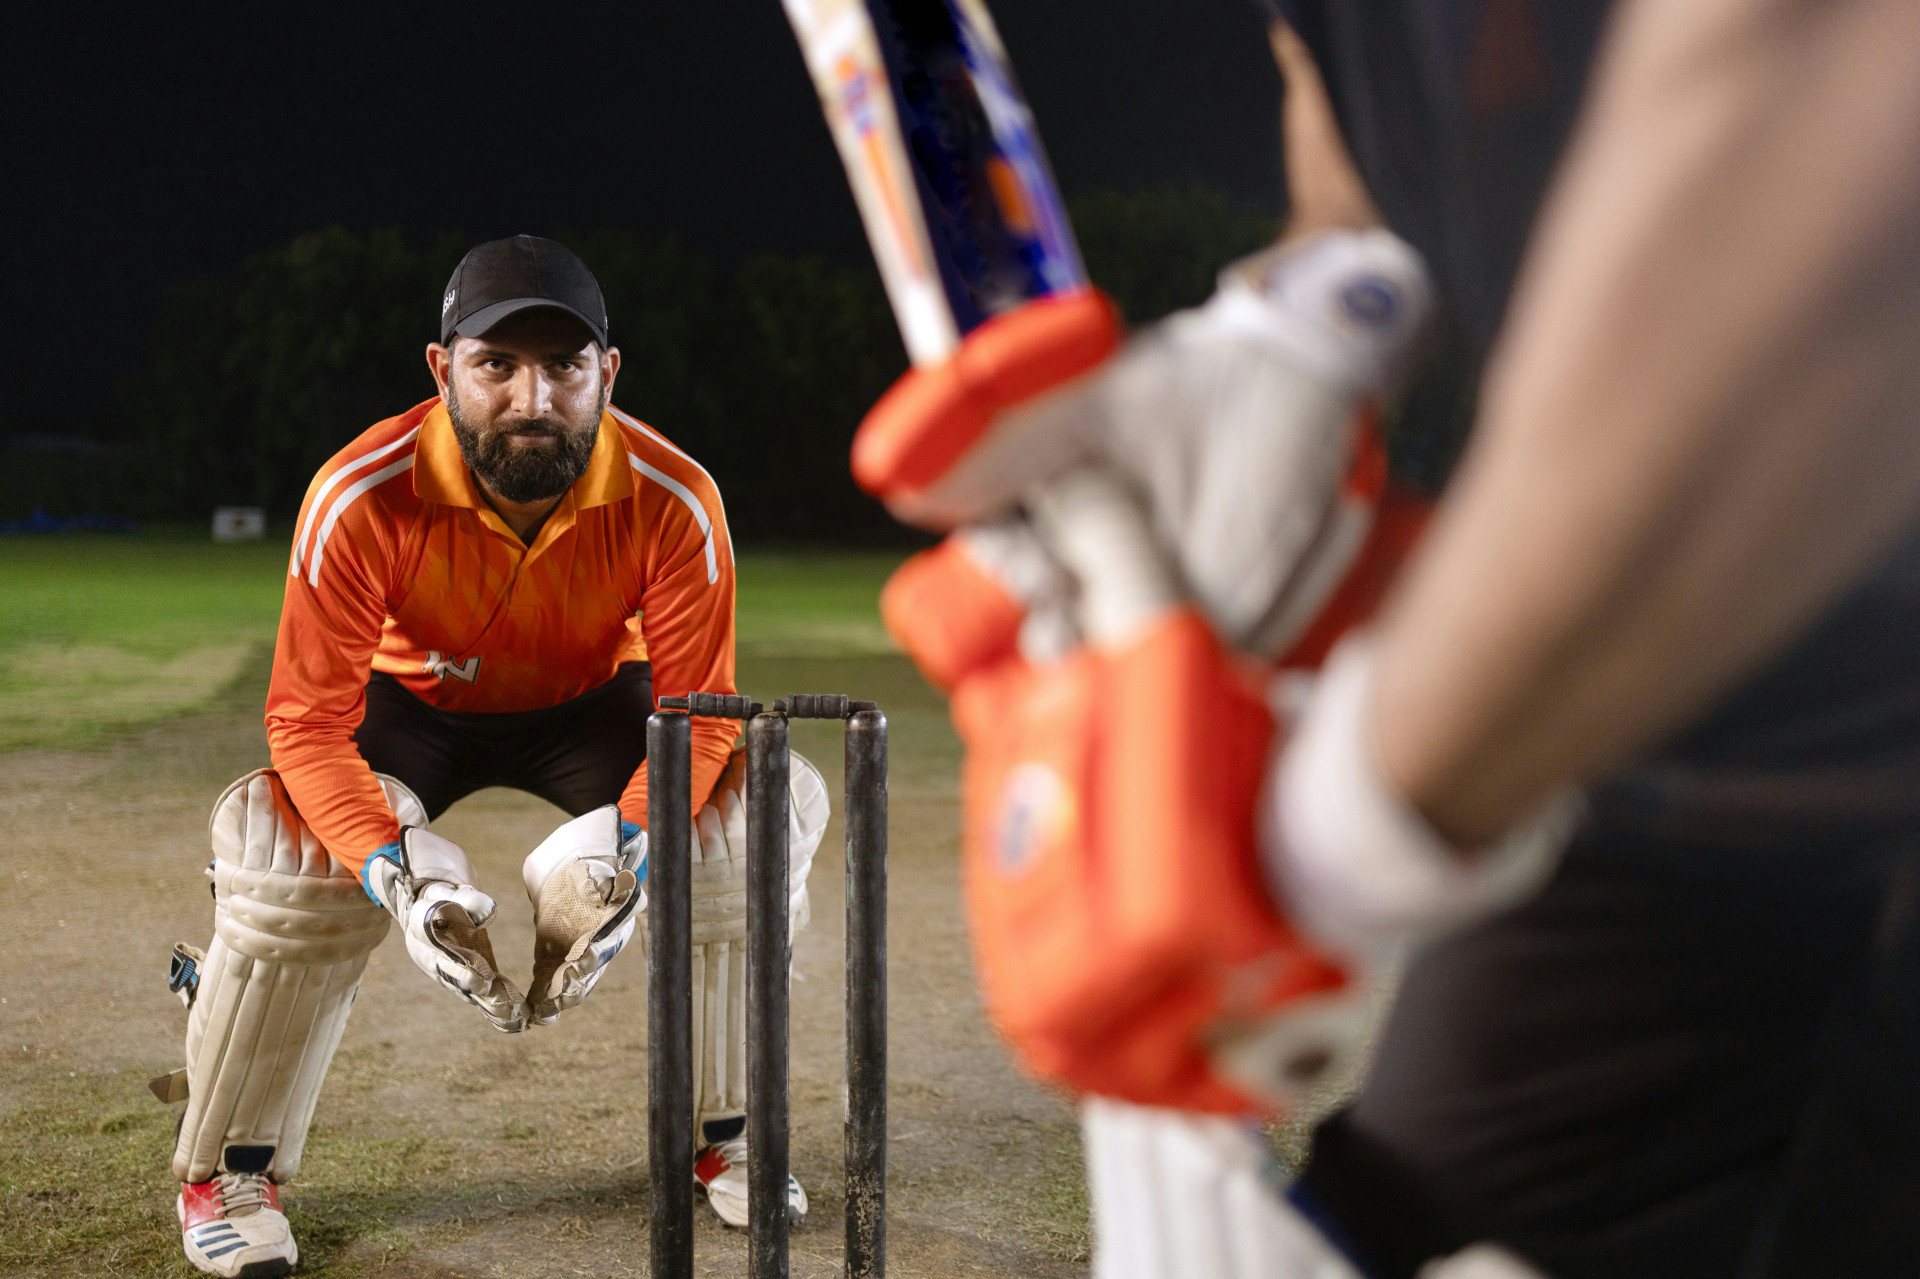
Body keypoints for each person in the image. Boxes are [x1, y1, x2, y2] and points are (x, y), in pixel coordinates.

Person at [847, 0, 1920, 1275]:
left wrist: (1333, 825)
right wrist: (1302, 332)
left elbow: (1842, 137)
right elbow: (1358, 110)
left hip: (1795, 576)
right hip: (1699, 707)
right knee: (1390, 1234)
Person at [159, 235, 824, 1278]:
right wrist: (396, 871)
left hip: (592, 703)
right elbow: (307, 725)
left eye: (564, 365)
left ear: (608, 372)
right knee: (289, 861)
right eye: (497, 365)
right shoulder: (361, 492)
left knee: (747, 829)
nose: (532, 397)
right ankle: (230, 1172)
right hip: (412, 705)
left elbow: (702, 717)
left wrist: (627, 847)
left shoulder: (674, 497)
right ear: (443, 371)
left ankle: (730, 1137)